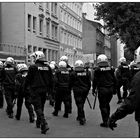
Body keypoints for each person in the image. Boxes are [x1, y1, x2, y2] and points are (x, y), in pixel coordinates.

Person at [25, 51, 53, 134]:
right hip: (44, 90)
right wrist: (50, 91)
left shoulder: (33, 67)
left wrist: (24, 89)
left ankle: (44, 124)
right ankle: (38, 123)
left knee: (37, 107)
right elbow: (51, 80)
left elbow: (28, 80)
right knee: (41, 106)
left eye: (34, 57)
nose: (33, 59)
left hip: (35, 90)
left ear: (37, 57)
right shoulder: (48, 67)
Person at [92, 54, 116, 127]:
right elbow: (115, 79)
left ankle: (105, 121)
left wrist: (93, 90)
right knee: (107, 104)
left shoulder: (97, 70)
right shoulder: (111, 69)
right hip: (110, 89)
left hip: (102, 90)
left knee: (103, 106)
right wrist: (115, 89)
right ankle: (108, 118)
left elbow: (95, 81)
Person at [71, 60, 91, 125]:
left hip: (77, 90)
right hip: (85, 90)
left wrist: (70, 88)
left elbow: (70, 82)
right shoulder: (87, 73)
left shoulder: (73, 73)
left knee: (79, 103)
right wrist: (88, 90)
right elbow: (89, 83)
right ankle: (79, 116)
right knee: (81, 103)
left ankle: (82, 117)